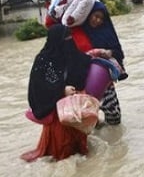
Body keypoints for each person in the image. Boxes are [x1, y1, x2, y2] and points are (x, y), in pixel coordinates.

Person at [21, 24, 93, 162]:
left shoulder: (74, 55)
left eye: (70, 36)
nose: (69, 40)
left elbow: (84, 65)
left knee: (81, 154)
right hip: (57, 115)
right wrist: (61, 90)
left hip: (75, 112)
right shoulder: (43, 60)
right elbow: (39, 87)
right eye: (65, 38)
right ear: (55, 41)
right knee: (61, 153)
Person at [81, 0, 127, 126]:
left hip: (103, 77)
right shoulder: (80, 31)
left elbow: (118, 51)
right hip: (83, 78)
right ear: (89, 14)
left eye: (101, 18)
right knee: (88, 117)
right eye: (95, 16)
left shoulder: (107, 31)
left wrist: (109, 52)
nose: (98, 20)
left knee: (114, 116)